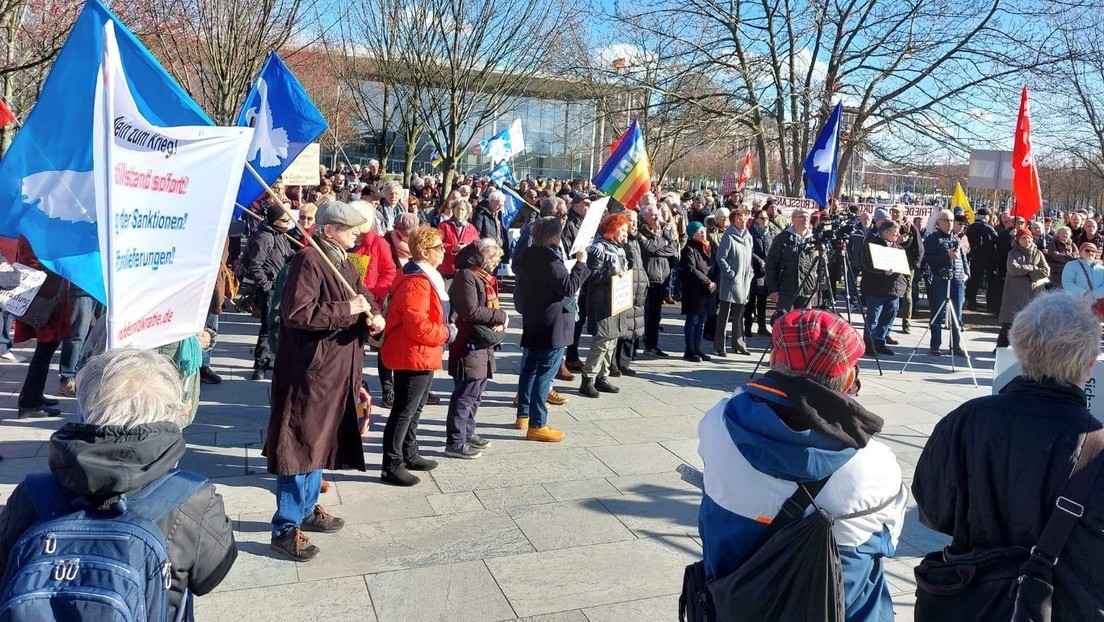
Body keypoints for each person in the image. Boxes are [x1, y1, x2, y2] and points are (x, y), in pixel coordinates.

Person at [697, 308, 907, 620]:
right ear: (849, 377)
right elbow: (890, 535)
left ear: (772, 363)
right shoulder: (875, 463)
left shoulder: (719, 422)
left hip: (736, 601)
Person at [0, 348, 237, 619]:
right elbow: (210, 575)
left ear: (86, 405)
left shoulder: (32, 492)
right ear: (172, 412)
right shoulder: (192, 497)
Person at [912, 290, 1104, 621]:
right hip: (1069, 607)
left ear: (1019, 349)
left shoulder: (964, 420)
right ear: (1089, 364)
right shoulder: (1097, 446)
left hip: (973, 600)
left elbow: (933, 512)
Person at [263, 201, 383, 560]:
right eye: (350, 231)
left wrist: (374, 316)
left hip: (336, 370)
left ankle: (308, 507)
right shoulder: (309, 260)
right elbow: (297, 313)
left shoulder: (342, 261)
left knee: (319, 442)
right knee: (299, 445)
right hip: (309, 372)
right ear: (329, 230)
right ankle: (285, 526)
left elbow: (365, 297)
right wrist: (348, 310)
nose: (356, 236)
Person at [380, 225, 454, 487]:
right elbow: (418, 325)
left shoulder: (426, 275)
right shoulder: (416, 281)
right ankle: (391, 464)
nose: (443, 251)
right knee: (404, 410)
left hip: (422, 352)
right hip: (412, 352)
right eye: (438, 247)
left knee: (416, 406)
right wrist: (446, 332)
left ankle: (409, 453)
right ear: (424, 251)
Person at [514, 218, 590, 440]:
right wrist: (581, 264)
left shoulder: (528, 254)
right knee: (544, 374)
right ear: (555, 237)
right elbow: (568, 287)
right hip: (552, 323)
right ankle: (538, 424)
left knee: (529, 368)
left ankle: (523, 415)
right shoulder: (550, 259)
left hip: (534, 319)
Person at [445, 239, 509, 459]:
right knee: (465, 393)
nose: (496, 262)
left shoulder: (481, 276)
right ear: (483, 255)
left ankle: (468, 433)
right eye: (494, 257)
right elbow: (470, 311)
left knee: (477, 392)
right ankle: (455, 441)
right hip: (468, 343)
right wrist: (501, 316)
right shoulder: (466, 275)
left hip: (482, 342)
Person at [13, 237, 71, 418]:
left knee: (46, 349)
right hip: (46, 297)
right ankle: (30, 402)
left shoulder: (34, 227)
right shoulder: (37, 231)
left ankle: (33, 395)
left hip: (47, 295)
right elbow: (36, 262)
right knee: (45, 349)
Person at [579, 213, 632, 398]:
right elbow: (591, 276)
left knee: (612, 340)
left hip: (616, 301)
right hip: (601, 302)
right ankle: (588, 379)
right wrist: (611, 272)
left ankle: (603, 376)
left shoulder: (619, 248)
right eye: (623, 230)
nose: (626, 234)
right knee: (601, 342)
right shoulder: (598, 249)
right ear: (614, 229)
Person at [243, 207, 296, 380]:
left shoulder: (280, 236)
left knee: (275, 325)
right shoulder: (264, 237)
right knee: (267, 327)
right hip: (269, 289)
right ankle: (259, 365)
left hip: (280, 287)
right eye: (284, 220)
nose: (287, 224)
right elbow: (255, 265)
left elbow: (288, 255)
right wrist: (266, 286)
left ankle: (268, 359)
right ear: (274, 220)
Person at [923, 210, 969, 357]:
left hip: (958, 280)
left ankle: (956, 345)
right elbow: (930, 260)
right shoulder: (932, 239)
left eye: (951, 220)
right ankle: (935, 344)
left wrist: (967, 273)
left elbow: (963, 258)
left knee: (957, 313)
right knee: (937, 311)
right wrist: (947, 257)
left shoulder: (956, 239)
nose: (949, 223)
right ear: (939, 222)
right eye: (946, 220)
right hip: (940, 280)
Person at [996, 227, 1050, 349]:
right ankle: (1001, 348)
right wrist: (1033, 268)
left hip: (1033, 292)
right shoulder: (1012, 253)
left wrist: (1029, 275)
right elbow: (1013, 269)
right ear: (1018, 240)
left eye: (1029, 238)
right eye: (1024, 238)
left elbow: (1046, 270)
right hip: (1014, 293)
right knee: (1009, 322)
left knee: (1030, 323)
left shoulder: (1038, 253)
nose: (1027, 241)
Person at [861, 220, 907, 356]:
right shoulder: (872, 245)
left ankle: (880, 342)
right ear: (885, 232)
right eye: (895, 231)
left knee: (889, 316)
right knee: (873, 318)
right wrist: (882, 271)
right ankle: (869, 344)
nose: (897, 234)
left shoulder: (898, 248)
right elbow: (866, 265)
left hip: (894, 289)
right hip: (876, 289)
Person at [638, 203, 678, 357]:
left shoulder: (663, 229)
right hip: (649, 278)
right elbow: (647, 248)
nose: (657, 218)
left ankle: (652, 346)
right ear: (644, 216)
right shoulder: (641, 231)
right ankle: (643, 343)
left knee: (656, 315)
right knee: (646, 314)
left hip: (662, 277)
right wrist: (662, 243)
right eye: (653, 215)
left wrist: (659, 244)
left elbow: (673, 248)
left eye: (658, 214)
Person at [610, 210, 647, 376]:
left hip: (638, 289)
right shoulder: (621, 242)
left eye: (636, 221)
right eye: (630, 221)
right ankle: (613, 364)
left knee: (632, 328)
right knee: (621, 328)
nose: (634, 224)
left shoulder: (635, 241)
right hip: (625, 289)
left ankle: (625, 362)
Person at [714, 208, 753, 356]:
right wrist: (731, 273)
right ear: (733, 221)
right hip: (731, 282)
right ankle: (720, 346)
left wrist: (750, 274)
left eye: (744, 219)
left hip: (744, 282)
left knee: (739, 315)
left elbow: (749, 259)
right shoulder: (728, 236)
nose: (742, 222)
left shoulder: (748, 237)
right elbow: (720, 258)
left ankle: (739, 344)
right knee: (724, 315)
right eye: (739, 219)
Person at [765, 207, 819, 314]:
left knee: (804, 325)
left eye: (807, 217)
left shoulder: (815, 240)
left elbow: (821, 266)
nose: (805, 219)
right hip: (786, 290)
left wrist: (817, 285)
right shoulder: (782, 238)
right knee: (784, 323)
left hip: (807, 291)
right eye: (801, 217)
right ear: (793, 219)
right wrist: (773, 289)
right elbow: (771, 265)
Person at [680, 221, 717, 362]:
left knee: (701, 320)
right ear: (692, 234)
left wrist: (715, 282)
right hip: (694, 290)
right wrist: (708, 282)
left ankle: (697, 347)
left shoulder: (708, 247)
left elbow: (715, 265)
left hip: (707, 291)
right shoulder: (689, 249)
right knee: (693, 320)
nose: (703, 233)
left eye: (703, 230)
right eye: (699, 232)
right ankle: (689, 350)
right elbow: (691, 269)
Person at [745, 208, 775, 337]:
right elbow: (748, 250)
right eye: (762, 218)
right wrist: (758, 261)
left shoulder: (770, 234)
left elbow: (773, 251)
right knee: (751, 300)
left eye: (766, 218)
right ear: (756, 220)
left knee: (762, 300)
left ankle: (762, 326)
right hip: (753, 270)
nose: (765, 221)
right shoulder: (750, 233)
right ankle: (747, 326)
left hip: (765, 272)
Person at [437, 198, 480, 278]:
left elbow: (476, 247)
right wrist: (453, 248)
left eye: (463, 209)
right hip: (447, 269)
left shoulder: (471, 228)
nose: (460, 211)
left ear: (467, 212)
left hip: (465, 270)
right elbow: (436, 244)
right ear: (453, 209)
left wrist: (467, 247)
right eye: (458, 208)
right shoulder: (443, 226)